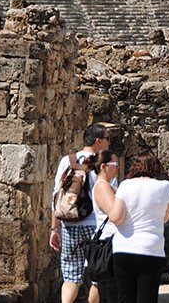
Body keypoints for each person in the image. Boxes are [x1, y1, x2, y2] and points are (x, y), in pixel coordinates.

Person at [50, 123, 110, 303]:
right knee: (98, 276)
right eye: (107, 139)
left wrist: (55, 228)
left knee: (70, 276)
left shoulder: (67, 161)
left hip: (70, 225)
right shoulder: (103, 163)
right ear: (98, 141)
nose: (109, 142)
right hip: (96, 226)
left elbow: (56, 196)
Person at [108, 152, 169, 303]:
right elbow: (166, 217)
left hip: (124, 248)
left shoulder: (125, 185)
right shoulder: (165, 187)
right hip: (151, 248)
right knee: (147, 297)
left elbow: (116, 217)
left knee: (125, 297)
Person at [87, 150, 120, 302]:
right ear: (104, 166)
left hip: (109, 239)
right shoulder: (102, 186)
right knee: (102, 284)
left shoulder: (107, 185)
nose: (118, 168)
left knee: (100, 285)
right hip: (107, 240)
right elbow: (114, 212)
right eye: (115, 165)